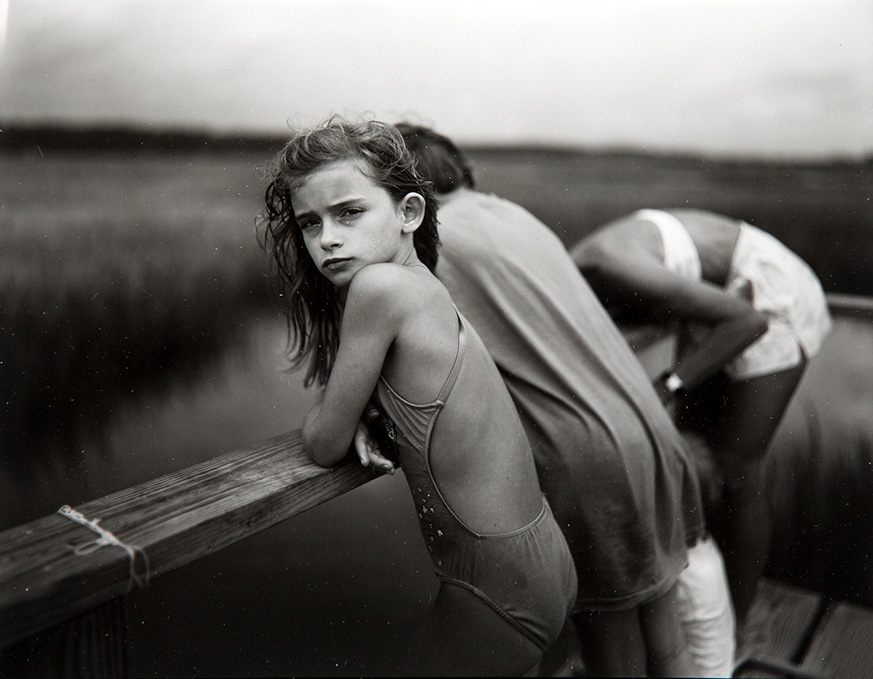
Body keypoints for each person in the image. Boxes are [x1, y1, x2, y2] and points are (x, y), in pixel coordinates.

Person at [396, 123, 723, 677]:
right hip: (649, 433)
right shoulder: (514, 215)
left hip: (586, 458)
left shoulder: (429, 242)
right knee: (669, 646)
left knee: (614, 659)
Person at [257, 116, 577, 677]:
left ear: (408, 213)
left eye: (349, 212)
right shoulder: (426, 287)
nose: (327, 238)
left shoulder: (378, 288)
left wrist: (333, 414)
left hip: (495, 583)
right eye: (310, 223)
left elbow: (324, 444)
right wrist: (365, 407)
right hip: (536, 556)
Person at [570, 208, 832, 628]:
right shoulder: (572, 277)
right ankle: (696, 607)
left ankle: (741, 627)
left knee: (737, 471)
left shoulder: (609, 265)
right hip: (716, 304)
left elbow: (748, 321)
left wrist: (668, 385)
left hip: (767, 293)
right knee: (688, 460)